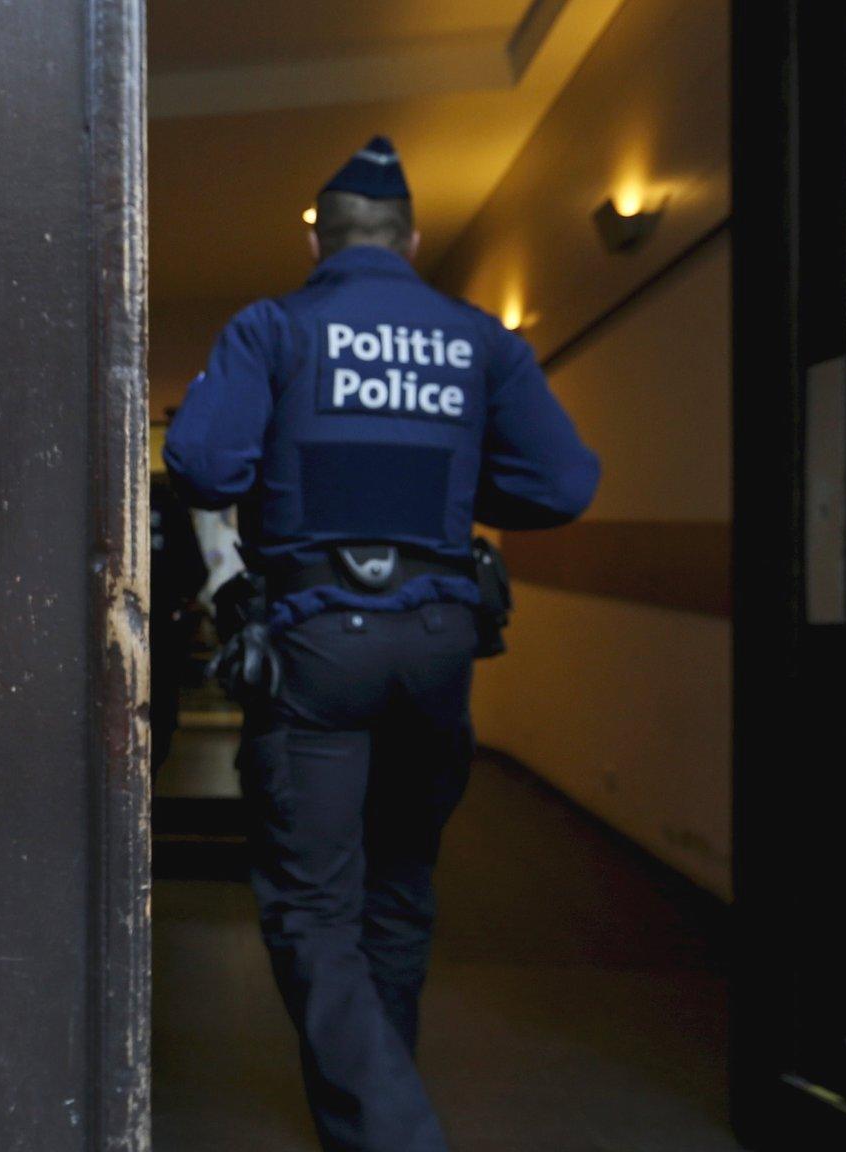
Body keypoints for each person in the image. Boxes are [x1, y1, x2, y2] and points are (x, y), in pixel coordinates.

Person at [163, 135, 599, 1152]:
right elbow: (563, 484)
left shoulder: (273, 327)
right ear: (409, 236)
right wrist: (445, 496)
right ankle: (369, 1122)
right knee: (398, 895)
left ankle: (390, 1134)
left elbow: (200, 465)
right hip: (440, 640)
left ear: (319, 237)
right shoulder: (477, 339)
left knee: (312, 908)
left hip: (317, 647)